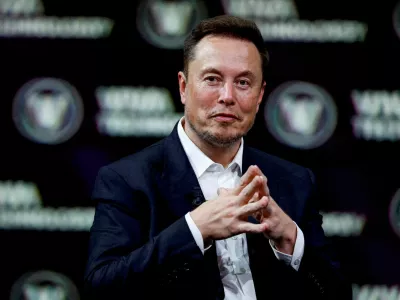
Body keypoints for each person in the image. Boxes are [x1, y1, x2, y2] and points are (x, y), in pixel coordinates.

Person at [84, 15, 352, 300]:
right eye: (212, 79)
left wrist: (289, 239)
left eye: (244, 83)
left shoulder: (295, 180)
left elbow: (337, 294)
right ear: (184, 87)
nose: (227, 96)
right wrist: (195, 229)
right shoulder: (127, 179)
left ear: (260, 96)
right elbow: (102, 288)